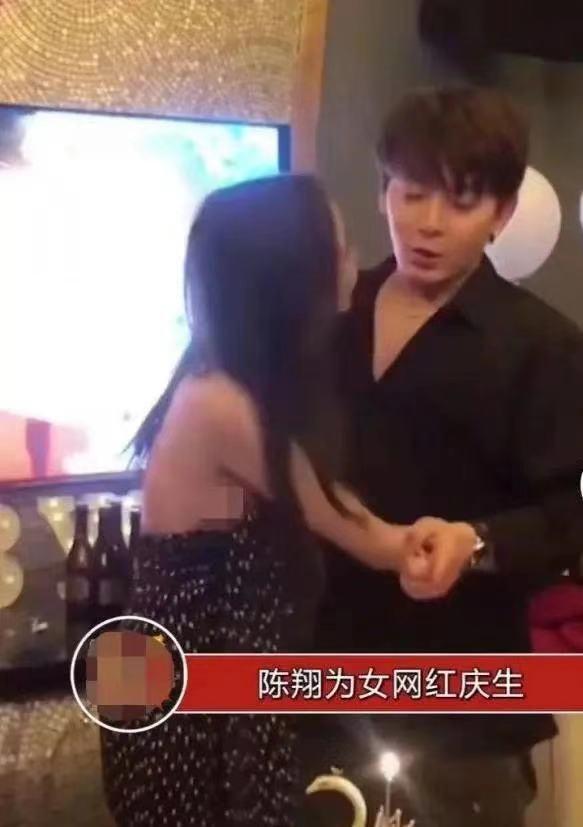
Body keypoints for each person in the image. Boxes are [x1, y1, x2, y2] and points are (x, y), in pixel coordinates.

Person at [99, 174, 474, 827]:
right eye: (339, 247)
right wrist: (431, 543)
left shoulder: (230, 377)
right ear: (292, 278)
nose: (353, 261)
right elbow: (348, 522)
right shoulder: (222, 404)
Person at [299, 86, 583, 827]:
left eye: (460, 201)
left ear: (502, 213)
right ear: (383, 190)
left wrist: (476, 542)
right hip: (317, 691)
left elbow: (568, 518)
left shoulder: (543, 346)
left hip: (461, 714)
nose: (427, 223)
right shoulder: (329, 311)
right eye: (412, 192)